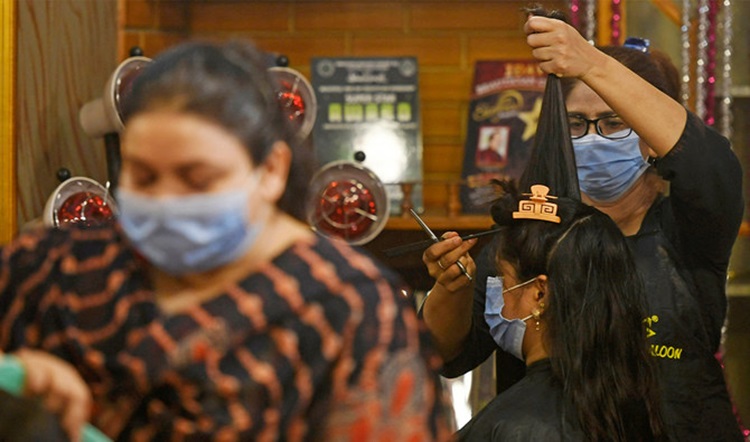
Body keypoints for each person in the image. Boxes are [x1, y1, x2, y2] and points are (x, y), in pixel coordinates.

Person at [0, 40, 452, 441]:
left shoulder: (348, 308)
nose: (166, 201)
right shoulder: (56, 268)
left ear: (271, 170)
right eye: (143, 176)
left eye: (198, 179)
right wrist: (18, 377)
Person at [421, 14, 745, 442]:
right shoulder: (531, 237)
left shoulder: (689, 231)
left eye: (614, 122)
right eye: (576, 124)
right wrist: (452, 290)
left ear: (651, 132)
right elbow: (444, 356)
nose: (593, 138)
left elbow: (711, 165)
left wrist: (591, 63)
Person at [455, 182, 666, 441]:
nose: (495, 294)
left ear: (540, 294)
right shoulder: (629, 403)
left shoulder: (520, 427)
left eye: (502, 279)